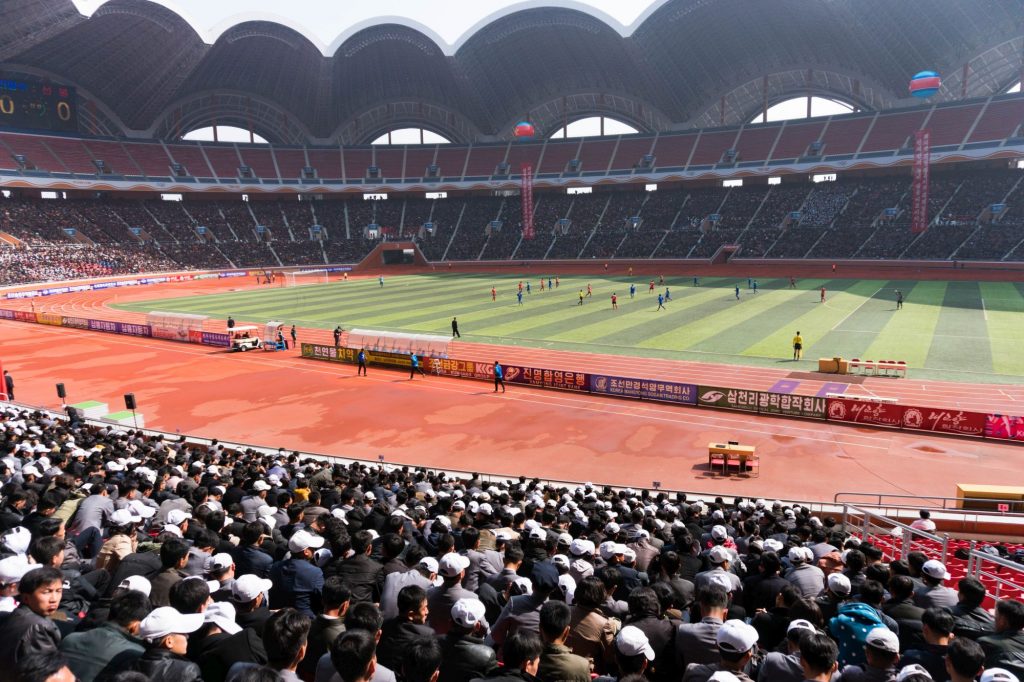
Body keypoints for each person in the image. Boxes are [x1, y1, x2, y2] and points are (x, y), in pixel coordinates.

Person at [0, 566, 64, 669]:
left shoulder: (17, 614)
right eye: (47, 592)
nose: (54, 599)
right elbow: (44, 671)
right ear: (26, 598)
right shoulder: (38, 627)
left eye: (58, 591)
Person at [132, 606, 204, 681]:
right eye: (183, 633)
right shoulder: (187, 671)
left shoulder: (131, 666)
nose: (187, 636)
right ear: (169, 642)